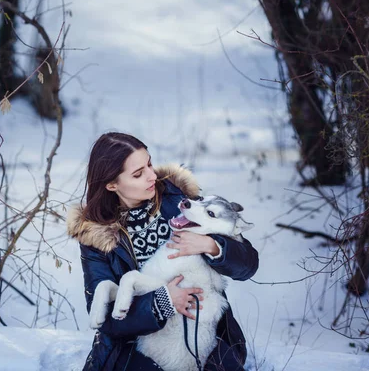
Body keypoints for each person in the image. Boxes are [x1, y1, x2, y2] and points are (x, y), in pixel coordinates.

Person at [67, 132, 259, 370]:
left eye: (149, 164)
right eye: (138, 174)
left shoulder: (178, 199)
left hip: (205, 334)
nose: (152, 176)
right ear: (112, 184)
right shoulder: (96, 236)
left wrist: (212, 246)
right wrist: (162, 302)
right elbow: (106, 319)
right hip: (137, 348)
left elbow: (248, 265)